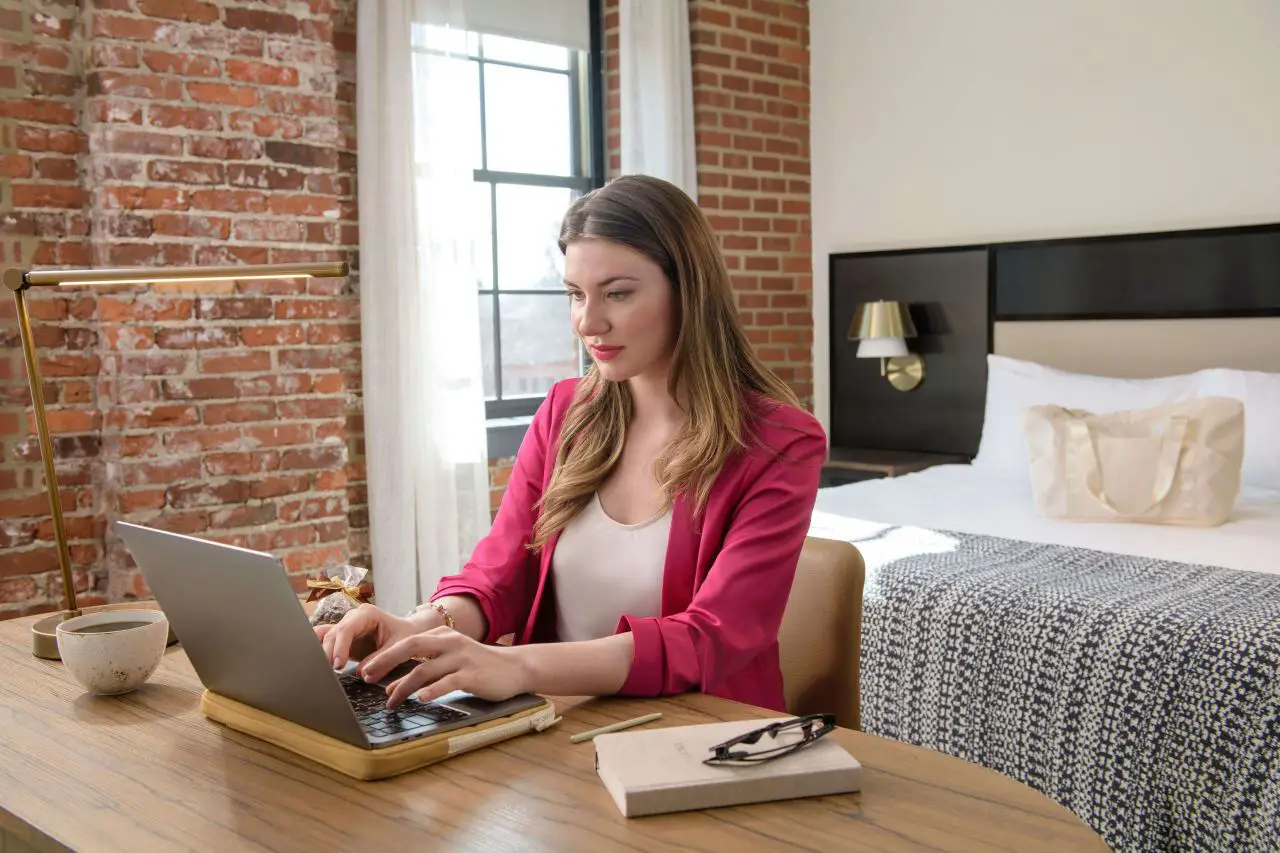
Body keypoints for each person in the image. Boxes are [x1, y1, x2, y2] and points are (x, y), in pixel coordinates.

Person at [317, 174, 826, 714]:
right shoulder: (566, 413)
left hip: (702, 733)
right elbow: (502, 572)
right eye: (575, 295)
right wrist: (417, 626)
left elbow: (714, 636)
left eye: (618, 293)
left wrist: (518, 666)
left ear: (689, 290)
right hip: (558, 728)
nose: (589, 321)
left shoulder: (779, 443)